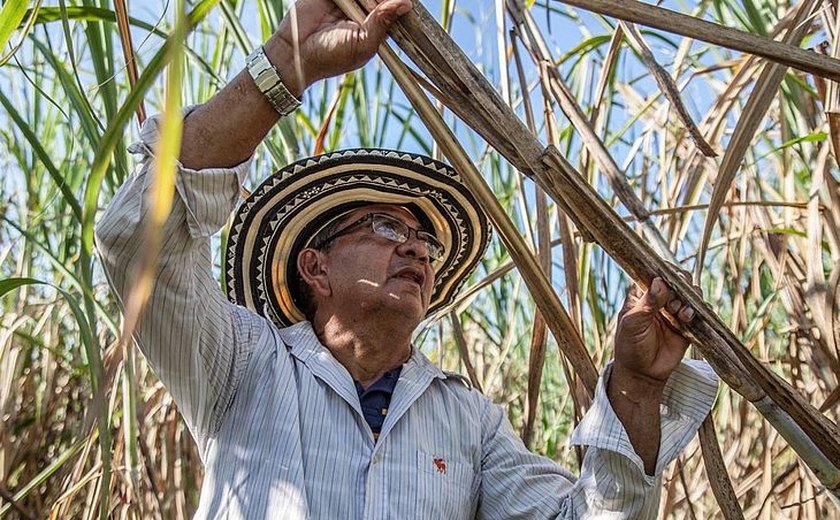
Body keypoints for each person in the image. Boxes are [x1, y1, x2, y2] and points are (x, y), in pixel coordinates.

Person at [95, 0, 718, 517]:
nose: (418, 245)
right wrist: (289, 62)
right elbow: (137, 242)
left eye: (427, 241)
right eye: (387, 226)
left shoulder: (468, 423)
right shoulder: (240, 365)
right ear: (315, 267)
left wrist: (636, 388)